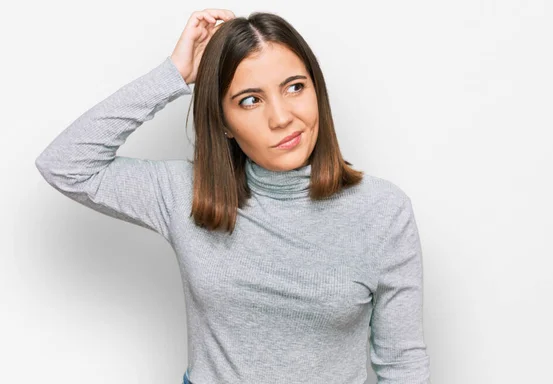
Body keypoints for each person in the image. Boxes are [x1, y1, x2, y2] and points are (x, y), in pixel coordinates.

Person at [35, 9, 431, 384]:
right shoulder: (185, 193)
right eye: (250, 100)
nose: (281, 117)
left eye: (295, 87)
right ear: (223, 122)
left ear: (317, 90)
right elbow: (66, 163)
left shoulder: (382, 210)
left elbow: (402, 363)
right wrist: (174, 74)